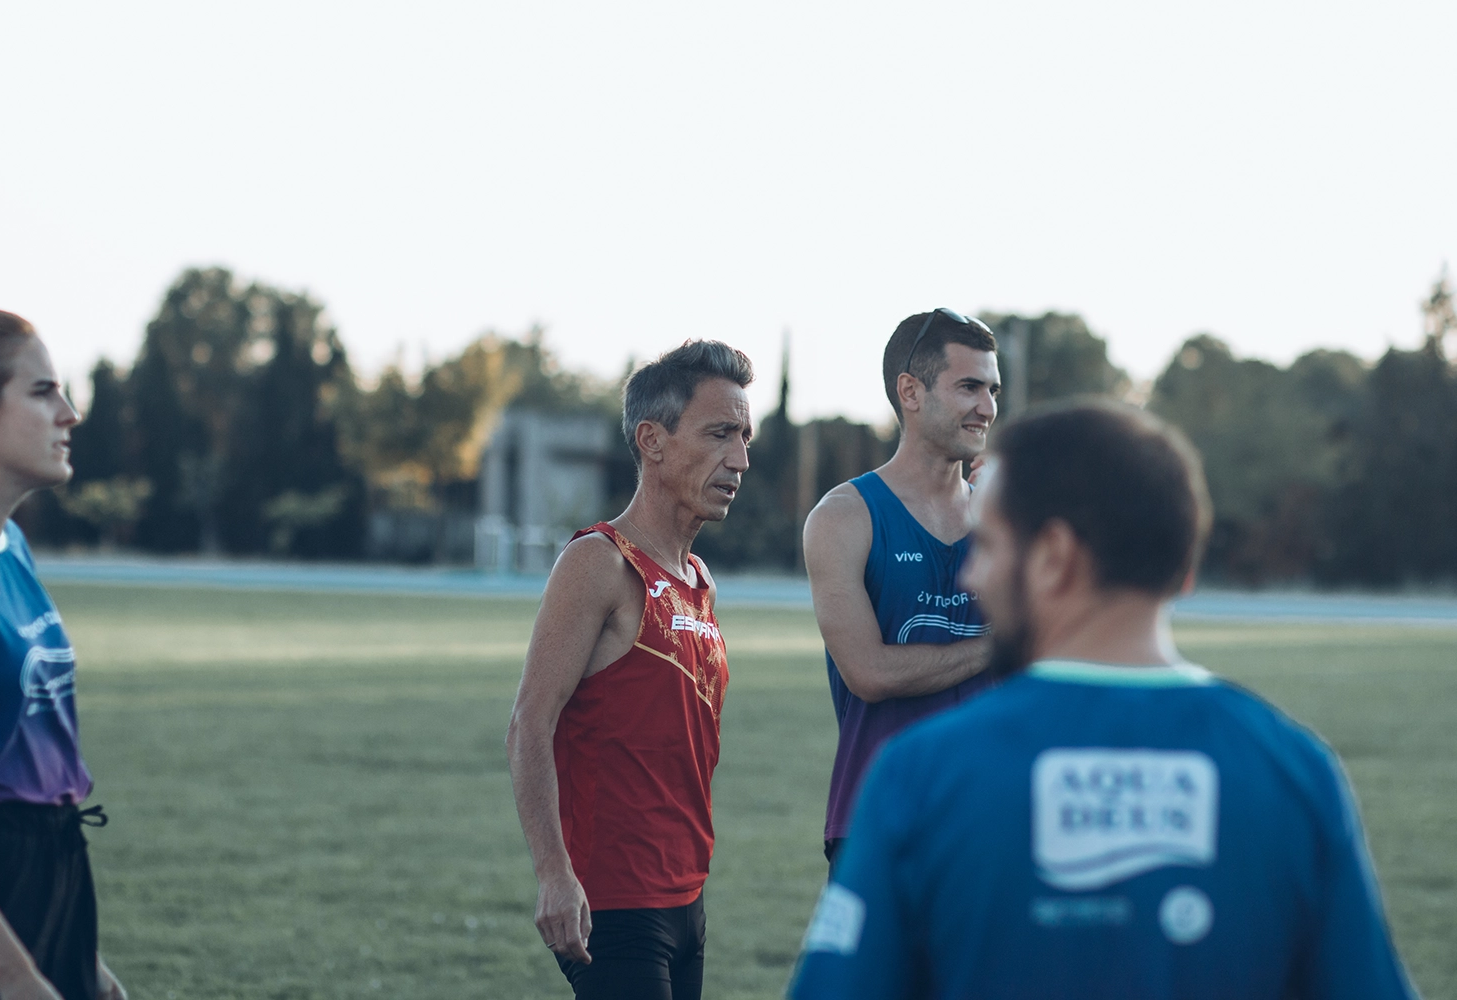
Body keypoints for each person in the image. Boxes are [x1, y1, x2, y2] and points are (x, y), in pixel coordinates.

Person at [788, 400, 1417, 999]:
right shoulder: (1298, 773)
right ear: (1183, 568)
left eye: (989, 549)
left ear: (1054, 559)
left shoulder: (920, 776)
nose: (973, 575)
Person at [506, 340, 753, 1000]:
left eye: (746, 437)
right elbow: (530, 723)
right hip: (611, 900)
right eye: (720, 434)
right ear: (654, 440)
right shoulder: (599, 563)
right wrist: (554, 874)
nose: (740, 459)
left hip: (687, 898)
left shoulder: (699, 580)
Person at [0, 308, 127, 1000]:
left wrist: (77, 952)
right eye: (42, 391)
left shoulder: (13, 547)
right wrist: (11, 971)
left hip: (50, 886)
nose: (70, 413)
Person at [801, 309, 998, 865]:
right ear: (910, 391)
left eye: (992, 389)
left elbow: (1054, 652)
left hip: (989, 817)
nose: (987, 407)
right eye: (969, 386)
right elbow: (870, 673)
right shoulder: (844, 517)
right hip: (878, 819)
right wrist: (997, 644)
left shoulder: (1007, 522)